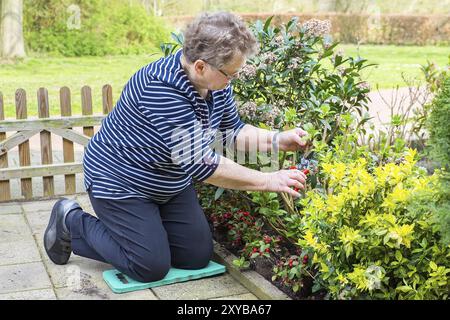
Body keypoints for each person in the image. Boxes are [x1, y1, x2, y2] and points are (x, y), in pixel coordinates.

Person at [43, 11, 307, 283]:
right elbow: (204, 165)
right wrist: (268, 180)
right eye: (231, 74)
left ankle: (144, 233)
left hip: (167, 180)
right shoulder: (160, 88)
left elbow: (232, 131)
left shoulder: (216, 83)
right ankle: (71, 221)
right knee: (149, 266)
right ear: (201, 66)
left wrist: (278, 139)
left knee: (195, 257)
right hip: (120, 181)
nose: (234, 79)